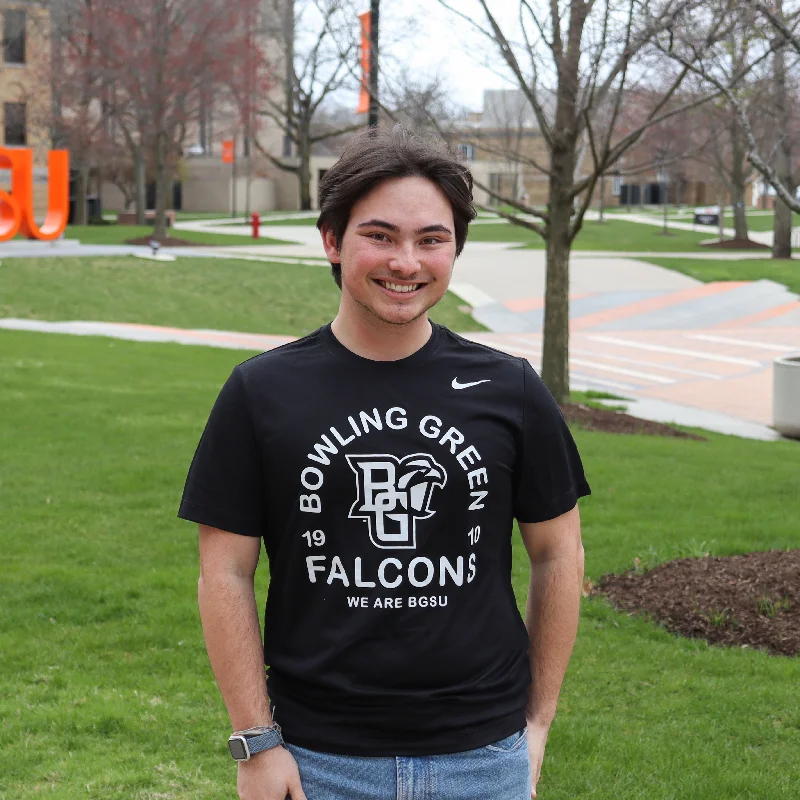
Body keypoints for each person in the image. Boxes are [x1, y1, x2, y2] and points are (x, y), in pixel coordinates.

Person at [178, 126, 590, 800]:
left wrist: (537, 724)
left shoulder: (510, 390)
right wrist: (255, 740)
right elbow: (223, 571)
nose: (407, 261)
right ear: (333, 242)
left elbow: (559, 553)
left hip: (484, 758)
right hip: (317, 762)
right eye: (380, 235)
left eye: (431, 239)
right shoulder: (261, 392)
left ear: (454, 249)